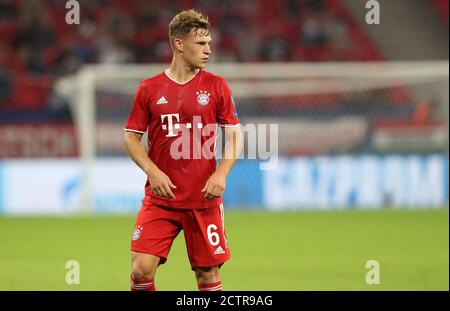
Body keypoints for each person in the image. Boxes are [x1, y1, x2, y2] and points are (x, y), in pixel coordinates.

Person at [124, 9, 243, 291]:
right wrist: (153, 171)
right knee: (141, 271)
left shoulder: (217, 86)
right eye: (201, 44)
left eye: (210, 44)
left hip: (203, 199)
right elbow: (131, 138)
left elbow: (235, 135)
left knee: (207, 276)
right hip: (161, 198)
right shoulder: (149, 89)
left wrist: (221, 174)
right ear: (179, 44)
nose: (208, 50)